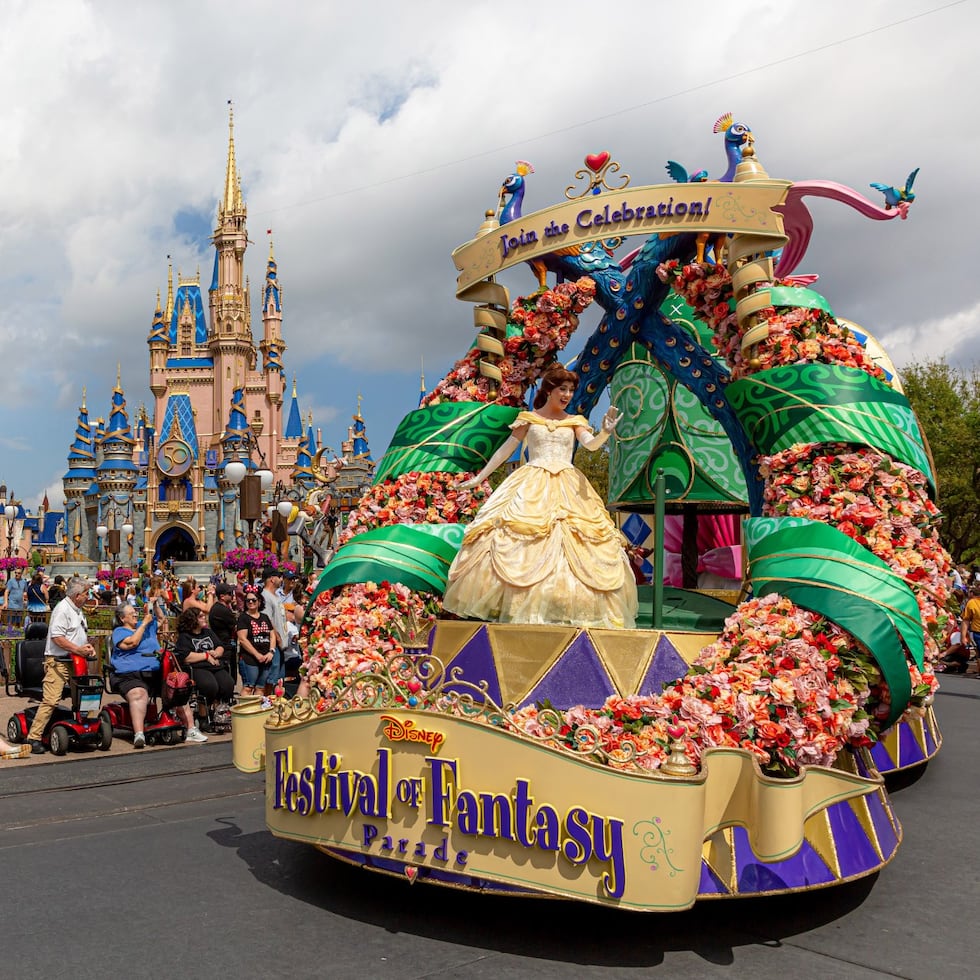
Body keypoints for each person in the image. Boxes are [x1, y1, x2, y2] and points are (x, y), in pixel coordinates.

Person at [443, 364, 638, 629]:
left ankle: (565, 605)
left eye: (570, 390)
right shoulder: (529, 418)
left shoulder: (574, 421)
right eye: (562, 389)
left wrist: (605, 430)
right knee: (516, 538)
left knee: (574, 539)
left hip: (568, 487)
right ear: (549, 389)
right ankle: (515, 605)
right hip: (531, 483)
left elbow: (591, 447)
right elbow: (505, 450)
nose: (567, 394)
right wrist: (480, 477)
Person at [27, 578, 95, 754]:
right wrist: (78, 649)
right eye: (86, 594)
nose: (88, 597)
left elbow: (77, 635)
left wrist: (87, 649)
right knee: (51, 699)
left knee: (84, 696)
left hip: (76, 660)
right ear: (76, 595)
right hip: (58, 661)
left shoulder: (78, 610)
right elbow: (58, 638)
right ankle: (34, 737)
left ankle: (85, 728)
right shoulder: (62, 610)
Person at [109, 600, 170, 748]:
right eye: (131, 613)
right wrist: (143, 624)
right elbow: (132, 643)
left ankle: (189, 727)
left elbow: (162, 619)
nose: (135, 614)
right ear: (123, 618)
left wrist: (154, 606)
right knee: (139, 693)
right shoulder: (120, 632)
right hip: (130, 675)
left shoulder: (148, 626)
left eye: (135, 611)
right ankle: (139, 733)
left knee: (177, 687)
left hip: (154, 672)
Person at [173, 608, 233, 737]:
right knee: (209, 686)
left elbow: (220, 645)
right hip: (197, 667)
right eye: (200, 616)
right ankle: (203, 717)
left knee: (227, 684)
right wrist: (206, 656)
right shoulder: (185, 636)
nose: (204, 618)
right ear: (193, 619)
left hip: (215, 665)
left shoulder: (208, 632)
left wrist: (216, 652)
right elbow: (186, 656)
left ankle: (218, 716)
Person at [236, 586, 278, 697]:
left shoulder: (265, 617)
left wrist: (271, 652)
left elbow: (272, 635)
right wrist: (257, 655)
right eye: (248, 600)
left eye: (253, 600)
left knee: (260, 688)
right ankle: (243, 711)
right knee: (248, 687)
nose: (250, 602)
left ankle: (257, 712)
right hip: (249, 659)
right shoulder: (243, 618)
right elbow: (242, 639)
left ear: (259, 602)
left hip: (266, 659)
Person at [260, 567, 288, 695]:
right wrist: (276, 637)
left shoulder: (275, 596)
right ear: (272, 579)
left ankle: (277, 701)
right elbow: (267, 620)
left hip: (281, 644)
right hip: (273, 643)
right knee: (271, 677)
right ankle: (267, 701)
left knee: (279, 678)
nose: (281, 579)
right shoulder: (265, 596)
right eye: (278, 577)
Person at [208, 583, 240, 686]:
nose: (232, 596)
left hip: (224, 644)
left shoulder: (219, 608)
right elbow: (236, 627)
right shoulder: (222, 610)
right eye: (230, 593)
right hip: (225, 645)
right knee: (227, 674)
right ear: (222, 596)